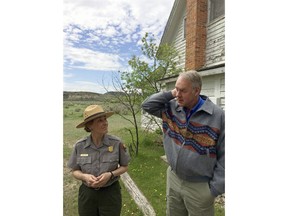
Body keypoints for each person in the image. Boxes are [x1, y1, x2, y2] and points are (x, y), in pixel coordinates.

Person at [142, 70, 225, 216]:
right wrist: (170, 94)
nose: (178, 94)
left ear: (196, 90)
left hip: (200, 187)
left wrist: (214, 189)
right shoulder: (171, 107)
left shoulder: (217, 116)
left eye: (183, 91)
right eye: (176, 89)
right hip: (174, 178)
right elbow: (147, 105)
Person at [67, 104, 131, 216]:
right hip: (87, 195)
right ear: (90, 125)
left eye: (105, 119)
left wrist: (110, 174)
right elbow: (74, 171)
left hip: (110, 193)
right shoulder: (80, 146)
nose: (105, 122)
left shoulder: (116, 143)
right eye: (100, 121)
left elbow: (125, 166)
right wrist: (84, 176)